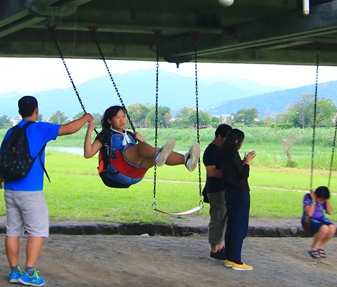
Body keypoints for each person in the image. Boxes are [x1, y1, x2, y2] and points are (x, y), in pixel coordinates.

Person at [0, 96, 94, 287]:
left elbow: (0, 159)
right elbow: (69, 128)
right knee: (37, 232)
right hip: (31, 191)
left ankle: (14, 272)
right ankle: (29, 273)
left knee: (13, 231)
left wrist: (0, 177)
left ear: (19, 111)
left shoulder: (11, 132)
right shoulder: (40, 128)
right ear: (36, 109)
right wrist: (86, 118)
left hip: (10, 188)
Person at [83, 105, 200, 188]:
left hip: (137, 174)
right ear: (109, 120)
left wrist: (141, 139)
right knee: (143, 148)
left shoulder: (130, 135)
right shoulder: (106, 134)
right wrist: (89, 131)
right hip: (116, 172)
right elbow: (88, 154)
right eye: (117, 117)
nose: (122, 120)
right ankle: (158, 155)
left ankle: (187, 160)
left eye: (123, 117)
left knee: (155, 152)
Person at [220, 128, 255, 271]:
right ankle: (236, 260)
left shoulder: (223, 153)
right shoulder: (233, 153)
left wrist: (242, 161)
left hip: (229, 192)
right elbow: (242, 175)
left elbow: (232, 170)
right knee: (239, 227)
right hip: (240, 193)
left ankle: (229, 257)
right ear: (236, 141)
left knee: (232, 225)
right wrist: (247, 162)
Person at [202, 124, 233, 260]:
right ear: (219, 136)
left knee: (223, 219)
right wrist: (229, 173)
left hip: (223, 189)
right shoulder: (211, 151)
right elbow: (212, 172)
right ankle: (215, 249)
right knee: (217, 218)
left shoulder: (221, 150)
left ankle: (220, 246)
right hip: (216, 189)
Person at [301, 185, 335, 259]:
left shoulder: (324, 199)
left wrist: (327, 200)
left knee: (332, 228)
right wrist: (313, 201)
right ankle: (313, 248)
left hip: (321, 218)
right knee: (324, 228)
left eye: (323, 201)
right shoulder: (308, 197)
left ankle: (320, 247)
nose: (321, 203)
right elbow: (309, 214)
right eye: (320, 200)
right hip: (309, 220)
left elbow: (330, 212)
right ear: (315, 195)